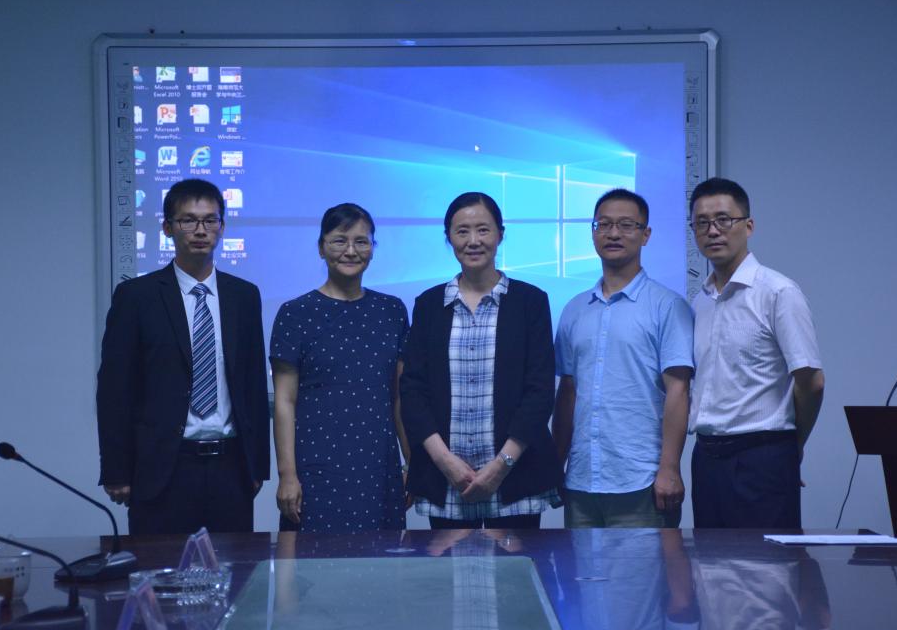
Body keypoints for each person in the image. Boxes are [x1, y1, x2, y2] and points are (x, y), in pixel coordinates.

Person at [96, 178, 270, 534]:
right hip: (163, 468)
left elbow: (252, 384)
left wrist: (258, 467)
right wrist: (116, 469)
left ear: (222, 226)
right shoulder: (136, 296)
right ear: (167, 228)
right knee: (160, 568)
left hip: (230, 468)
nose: (200, 230)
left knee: (235, 568)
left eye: (210, 220)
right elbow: (115, 390)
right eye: (188, 220)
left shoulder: (244, 296)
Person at [400, 192, 561, 529]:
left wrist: (501, 466)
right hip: (446, 483)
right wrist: (446, 462)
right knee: (448, 566)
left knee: (519, 565)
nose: (473, 241)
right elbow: (413, 391)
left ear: (500, 234)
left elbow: (540, 391)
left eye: (483, 230)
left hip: (516, 482)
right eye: (462, 231)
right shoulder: (428, 305)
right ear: (449, 238)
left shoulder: (530, 302)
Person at [688, 177, 825, 528]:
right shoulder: (699, 302)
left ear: (748, 226)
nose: (713, 231)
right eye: (702, 222)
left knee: (768, 561)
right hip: (707, 458)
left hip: (763, 455)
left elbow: (811, 382)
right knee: (709, 559)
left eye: (723, 220)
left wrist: (793, 446)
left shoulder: (778, 292)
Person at [553, 188, 694, 528]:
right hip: (582, 480)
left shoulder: (667, 306)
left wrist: (670, 468)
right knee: (579, 565)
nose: (613, 233)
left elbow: (678, 391)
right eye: (604, 224)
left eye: (626, 225)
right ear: (593, 233)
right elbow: (567, 393)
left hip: (642, 481)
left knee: (644, 566)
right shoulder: (574, 309)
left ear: (646, 234)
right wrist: (555, 464)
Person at [270, 203, 409, 533]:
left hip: (379, 465)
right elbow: (284, 402)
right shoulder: (295, 314)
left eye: (361, 241)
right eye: (339, 241)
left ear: (373, 248)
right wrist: (287, 475)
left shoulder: (392, 311)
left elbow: (399, 397)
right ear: (321, 248)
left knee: (383, 559)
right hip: (317, 469)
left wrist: (412, 461)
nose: (351, 251)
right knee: (314, 562)